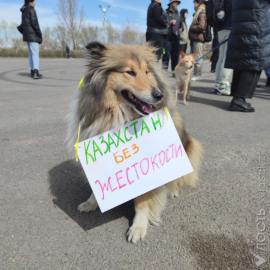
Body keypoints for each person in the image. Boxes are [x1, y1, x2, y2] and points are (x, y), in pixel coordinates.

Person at [225, 0, 270, 112]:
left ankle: (237, 97)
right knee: (255, 60)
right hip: (256, 22)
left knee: (243, 60)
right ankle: (239, 100)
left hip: (241, 23)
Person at [214, 0, 232, 96]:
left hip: (220, 30)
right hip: (229, 28)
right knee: (227, 58)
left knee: (221, 58)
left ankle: (218, 83)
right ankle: (223, 84)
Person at [20, 0, 42, 79]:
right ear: (30, 2)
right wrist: (39, 34)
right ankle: (36, 73)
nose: (35, 3)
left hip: (28, 36)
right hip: (33, 35)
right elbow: (34, 24)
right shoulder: (31, 10)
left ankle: (32, 71)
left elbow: (23, 24)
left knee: (31, 54)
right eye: (34, 1)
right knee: (35, 54)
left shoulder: (24, 11)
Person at [162, 0, 183, 76]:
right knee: (166, 55)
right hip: (167, 38)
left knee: (175, 56)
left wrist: (181, 29)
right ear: (171, 3)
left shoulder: (178, 14)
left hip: (176, 39)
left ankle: (174, 72)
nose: (177, 4)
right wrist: (169, 22)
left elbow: (181, 24)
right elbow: (162, 22)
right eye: (175, 3)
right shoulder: (165, 12)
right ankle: (164, 72)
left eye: (177, 3)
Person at [189, 0, 207, 81]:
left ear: (198, 3)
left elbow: (201, 26)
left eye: (194, 3)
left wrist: (192, 27)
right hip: (196, 39)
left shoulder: (201, 13)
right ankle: (195, 74)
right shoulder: (198, 13)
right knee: (196, 58)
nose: (193, 5)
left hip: (198, 39)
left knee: (198, 58)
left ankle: (198, 75)